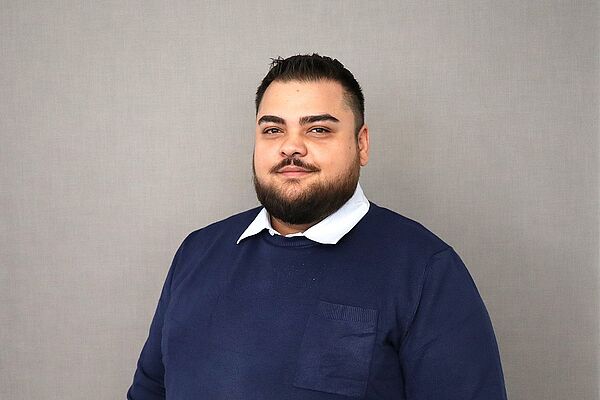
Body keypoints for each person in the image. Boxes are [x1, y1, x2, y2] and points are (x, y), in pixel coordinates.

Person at [127, 54, 508, 399]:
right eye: (273, 130)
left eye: (318, 129)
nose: (291, 147)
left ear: (362, 144)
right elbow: (149, 391)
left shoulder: (425, 269)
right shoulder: (197, 252)